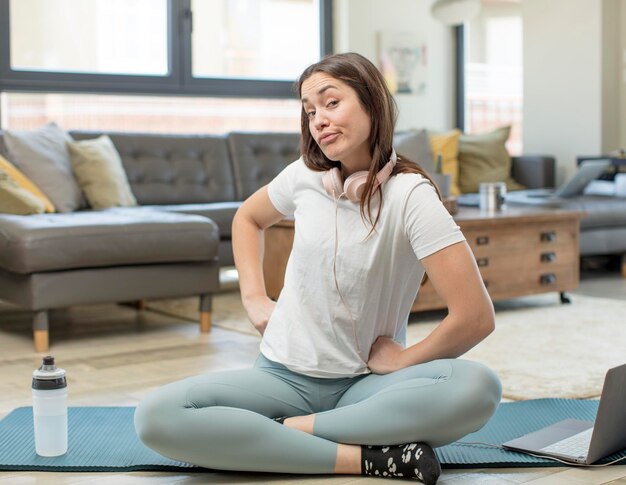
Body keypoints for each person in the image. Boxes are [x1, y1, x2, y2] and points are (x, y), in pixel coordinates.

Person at [134, 52, 502, 484]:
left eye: (331, 103)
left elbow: (475, 316)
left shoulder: (411, 196)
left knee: (479, 388)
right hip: (281, 378)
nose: (319, 120)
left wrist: (405, 360)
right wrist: (254, 298)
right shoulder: (304, 177)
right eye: (310, 111)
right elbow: (247, 219)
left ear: (372, 103)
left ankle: (286, 436)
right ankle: (367, 457)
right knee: (156, 417)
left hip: (366, 386)